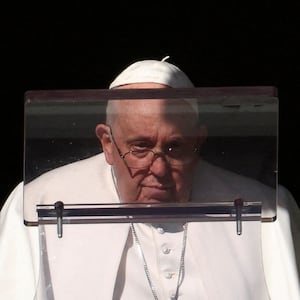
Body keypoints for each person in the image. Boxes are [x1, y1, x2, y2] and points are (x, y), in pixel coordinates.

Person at [0, 58, 300, 300]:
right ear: (107, 142)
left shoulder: (263, 207)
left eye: (175, 147)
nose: (159, 169)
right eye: (141, 147)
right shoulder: (40, 201)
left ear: (199, 141)